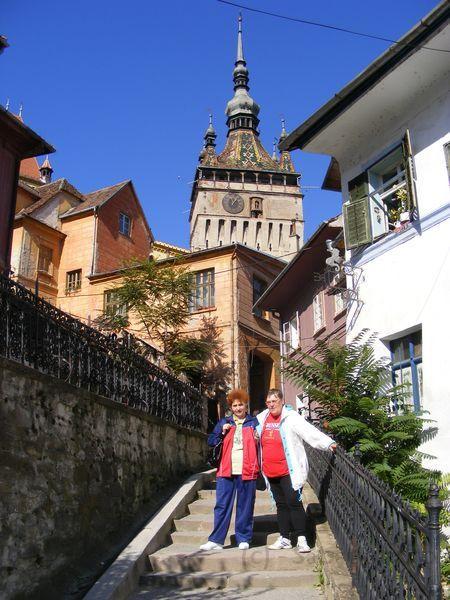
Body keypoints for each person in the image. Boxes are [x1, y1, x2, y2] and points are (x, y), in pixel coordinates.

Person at [257, 388, 336, 554]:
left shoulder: (291, 418)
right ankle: (284, 538)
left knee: (294, 502)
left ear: (281, 402)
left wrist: (327, 443)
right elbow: (252, 432)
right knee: (280, 505)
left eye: (274, 401)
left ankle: (301, 538)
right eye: (269, 402)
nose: (271, 405)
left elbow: (308, 431)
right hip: (271, 471)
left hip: (288, 471)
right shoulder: (262, 418)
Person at [200, 389, 259, 551]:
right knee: (222, 505)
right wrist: (221, 432)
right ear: (231, 407)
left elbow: (263, 444)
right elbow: (211, 441)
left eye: (241, 405)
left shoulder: (254, 423)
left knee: (245, 505)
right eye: (235, 405)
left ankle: (243, 537)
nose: (238, 408)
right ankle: (216, 540)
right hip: (226, 470)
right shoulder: (224, 422)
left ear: (246, 406)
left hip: (248, 469)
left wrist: (257, 439)